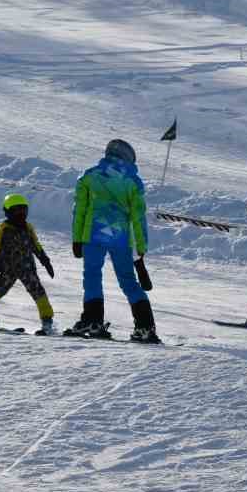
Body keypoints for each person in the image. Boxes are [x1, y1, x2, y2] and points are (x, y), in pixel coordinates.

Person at [69, 139, 159, 343]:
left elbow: (79, 210)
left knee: (92, 276)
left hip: (93, 235)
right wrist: (141, 247)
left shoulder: (89, 176)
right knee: (128, 281)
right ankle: (145, 327)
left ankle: (93, 320)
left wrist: (76, 239)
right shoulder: (133, 181)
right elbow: (138, 217)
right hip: (121, 238)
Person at [0, 193, 57, 335]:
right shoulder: (4, 229)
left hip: (27, 268)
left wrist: (45, 261)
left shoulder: (28, 228)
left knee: (38, 292)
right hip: (9, 268)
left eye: (23, 210)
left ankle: (47, 323)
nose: (21, 214)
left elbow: (36, 245)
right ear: (8, 212)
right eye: (17, 210)